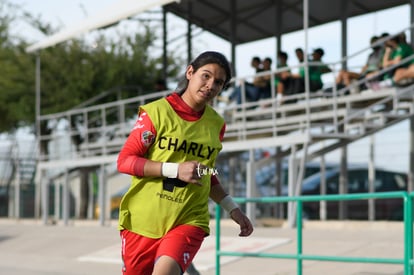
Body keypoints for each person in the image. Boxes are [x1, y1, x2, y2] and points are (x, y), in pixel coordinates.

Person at [116, 51, 254, 275]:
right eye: (206, 76)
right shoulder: (156, 112)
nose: (210, 85)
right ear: (190, 72)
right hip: (143, 221)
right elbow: (125, 161)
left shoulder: (216, 124)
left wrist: (232, 208)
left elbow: (206, 172)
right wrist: (175, 170)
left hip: (189, 218)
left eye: (218, 82)